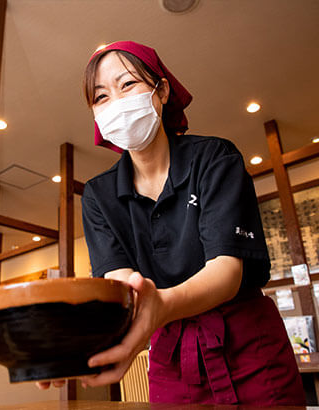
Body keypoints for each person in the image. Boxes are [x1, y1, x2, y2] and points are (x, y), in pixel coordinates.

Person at [37, 41, 306, 405]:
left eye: (128, 84)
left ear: (161, 91)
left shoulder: (213, 158)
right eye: (100, 97)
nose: (115, 102)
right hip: (173, 357)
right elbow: (122, 285)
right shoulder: (99, 196)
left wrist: (160, 305)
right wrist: (85, 340)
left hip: (249, 344)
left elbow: (227, 271)